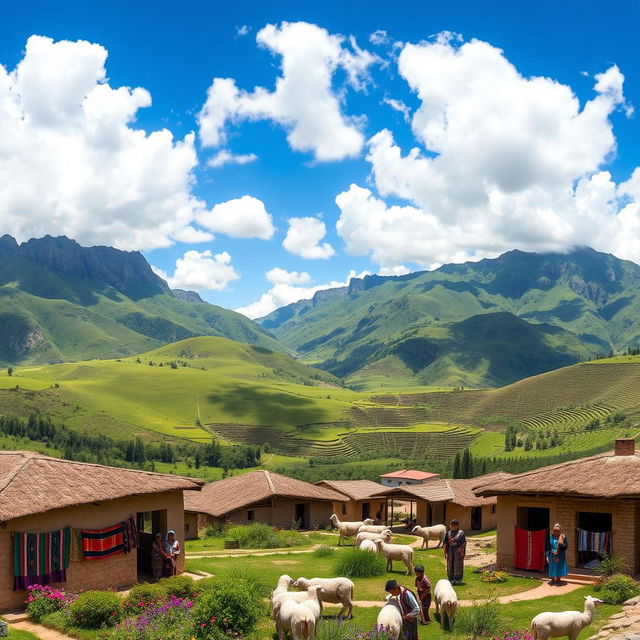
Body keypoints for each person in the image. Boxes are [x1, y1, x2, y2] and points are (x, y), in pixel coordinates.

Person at [444, 519, 466, 585]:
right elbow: (445, 543)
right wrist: (445, 551)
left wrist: (462, 551)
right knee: (450, 565)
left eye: (453, 525)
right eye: (451, 525)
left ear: (457, 526)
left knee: (458, 565)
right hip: (450, 551)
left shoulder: (461, 533)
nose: (451, 526)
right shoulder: (448, 533)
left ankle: (458, 579)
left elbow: (463, 543)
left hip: (458, 552)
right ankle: (451, 579)